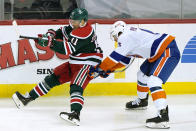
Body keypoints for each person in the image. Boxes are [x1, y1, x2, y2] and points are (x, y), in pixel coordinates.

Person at [12, 8, 103, 126]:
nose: (72, 23)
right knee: (53, 78)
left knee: (76, 85)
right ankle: (27, 99)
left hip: (89, 63)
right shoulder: (76, 26)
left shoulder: (85, 31)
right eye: (72, 20)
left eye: (75, 21)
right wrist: (50, 35)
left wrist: (50, 43)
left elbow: (67, 49)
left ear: (83, 21)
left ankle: (75, 114)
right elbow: (61, 31)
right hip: (76, 61)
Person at [88, 21, 180, 129]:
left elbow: (114, 58)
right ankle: (142, 101)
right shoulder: (130, 35)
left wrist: (99, 69)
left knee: (153, 81)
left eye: (114, 36)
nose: (115, 39)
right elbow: (124, 61)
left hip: (167, 50)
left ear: (118, 32)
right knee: (142, 75)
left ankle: (163, 115)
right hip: (158, 54)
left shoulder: (125, 37)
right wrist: (109, 69)